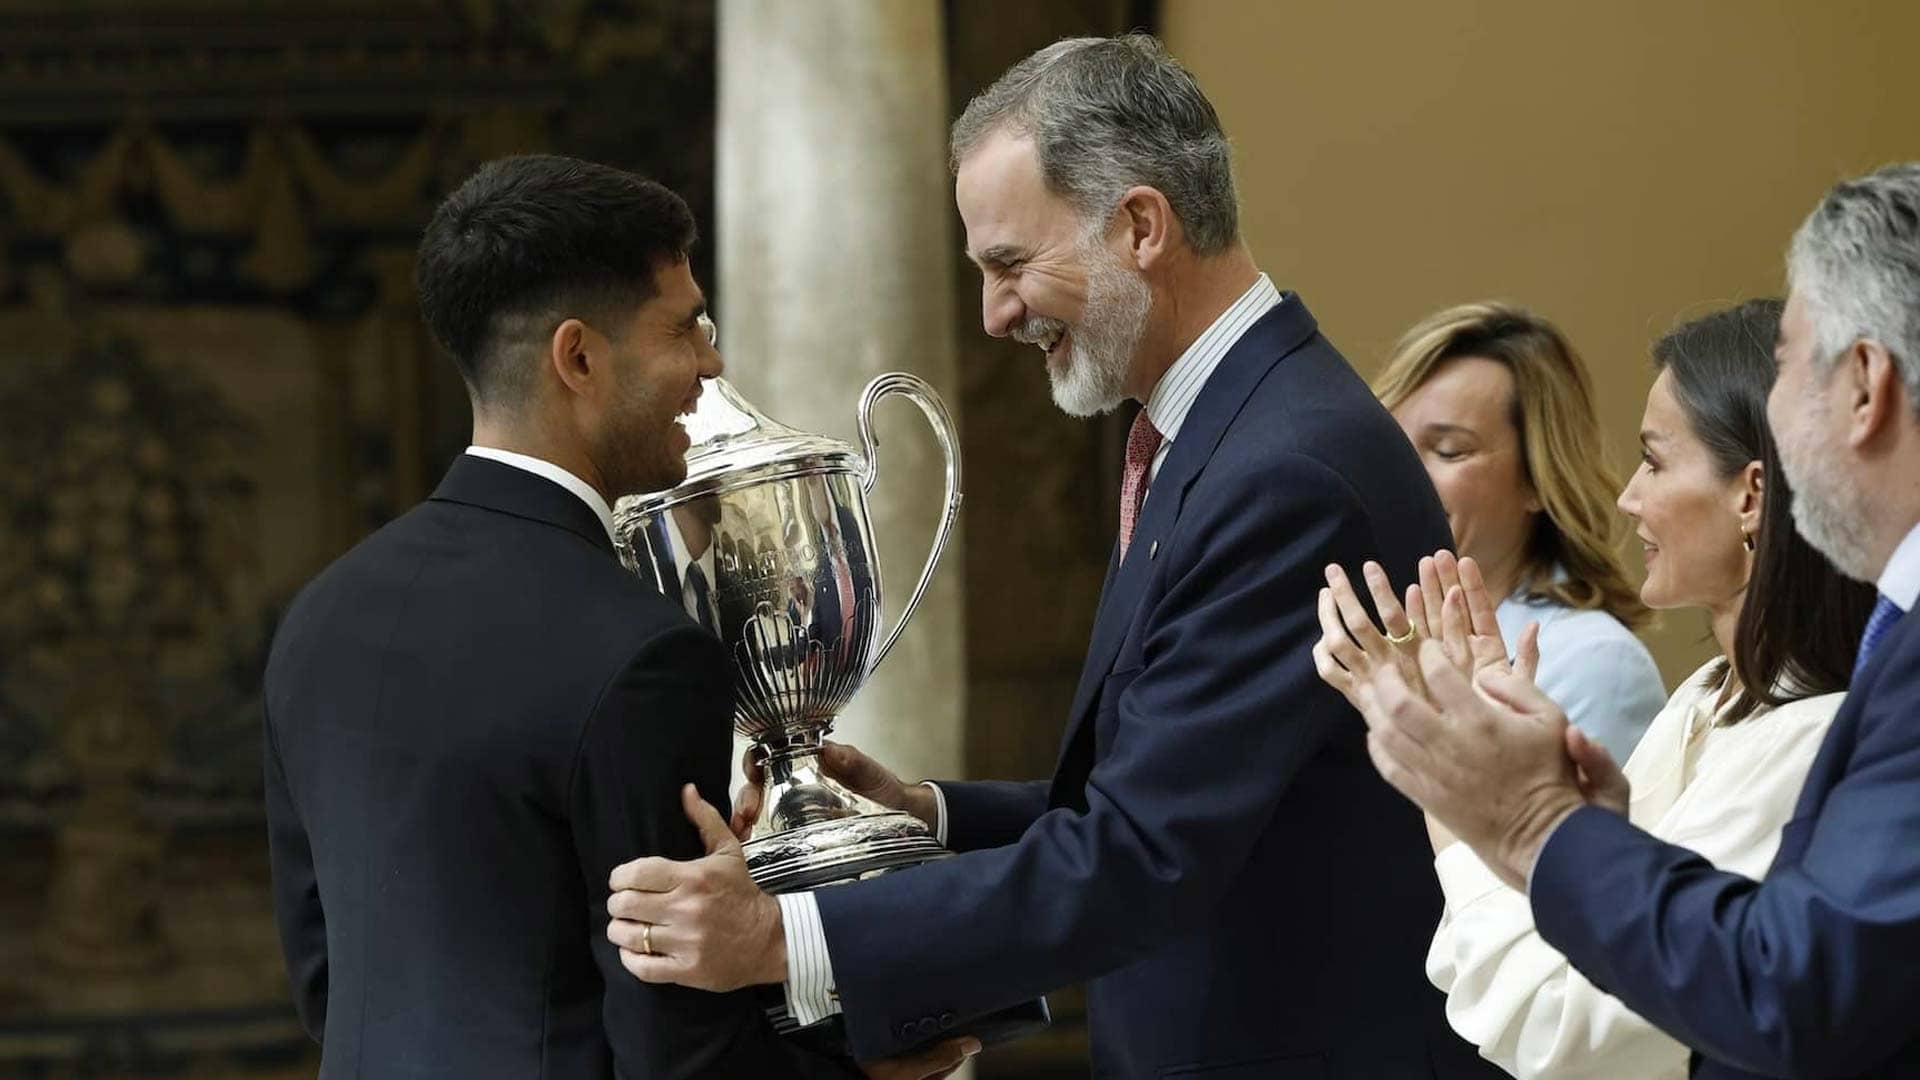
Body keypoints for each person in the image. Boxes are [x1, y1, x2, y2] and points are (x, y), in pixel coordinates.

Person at [597, 34, 1504, 1078]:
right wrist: (933, 818)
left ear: (1140, 226)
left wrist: (784, 939)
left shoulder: (1283, 471)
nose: (993, 316)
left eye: (1010, 264)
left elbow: (1143, 857)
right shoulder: (1222, 432)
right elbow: (1186, 795)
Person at [262, 154, 962, 1079]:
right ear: (579, 357)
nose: (710, 364)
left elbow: (328, 984)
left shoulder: (315, 622)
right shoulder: (645, 654)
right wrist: (859, 1071)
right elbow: (679, 1055)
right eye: (685, 328)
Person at [1344, 163, 1920, 1078]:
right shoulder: (1704, 696)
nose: (1626, 494)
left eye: (1654, 461)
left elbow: (1579, 1024)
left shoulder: (1823, 720)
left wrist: (1493, 810)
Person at [1375, 302, 1665, 762]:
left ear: (1537, 479)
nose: (1401, 475)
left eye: (1449, 451)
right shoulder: (1359, 635)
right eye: (1388, 444)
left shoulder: (1595, 663)